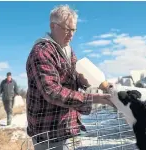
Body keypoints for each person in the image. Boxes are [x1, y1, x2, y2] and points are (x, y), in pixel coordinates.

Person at [26, 5, 113, 150]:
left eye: (74, 30)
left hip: (66, 127)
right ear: (53, 26)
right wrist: (93, 98)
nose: (71, 34)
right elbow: (52, 92)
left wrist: (82, 81)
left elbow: (70, 79)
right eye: (67, 29)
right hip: (49, 132)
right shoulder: (41, 52)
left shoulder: (68, 50)